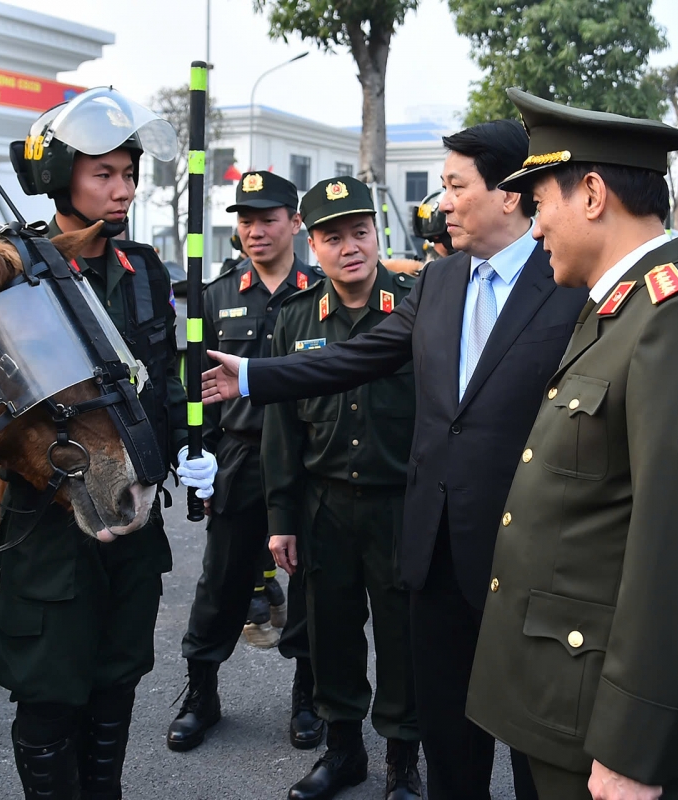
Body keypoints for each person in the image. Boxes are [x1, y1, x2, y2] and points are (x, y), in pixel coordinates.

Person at [203, 118, 587, 800]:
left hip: (527, 550)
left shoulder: (568, 286)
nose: (440, 204)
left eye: (453, 186)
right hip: (433, 546)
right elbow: (357, 359)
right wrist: (254, 375)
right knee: (449, 733)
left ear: (507, 195)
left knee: (534, 736)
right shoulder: (439, 282)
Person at [463, 89, 678, 800]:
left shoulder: (677, 319)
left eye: (540, 204)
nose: (534, 230)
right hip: (561, 699)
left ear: (591, 193)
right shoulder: (617, 310)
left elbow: (677, 553)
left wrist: (632, 748)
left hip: (602, 720)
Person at [0, 87, 217, 800]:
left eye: (128, 174)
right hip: (51, 526)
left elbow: (163, 381)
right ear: (62, 179)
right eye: (103, 175)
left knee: (118, 677)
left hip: (134, 514)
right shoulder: (13, 274)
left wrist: (188, 444)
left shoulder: (144, 271)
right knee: (51, 687)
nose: (122, 191)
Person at [262, 176, 422, 800]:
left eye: (360, 231)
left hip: (400, 504)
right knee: (331, 633)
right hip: (324, 503)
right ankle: (344, 751)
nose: (349, 246)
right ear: (312, 242)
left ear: (378, 233)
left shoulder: (416, 306)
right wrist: (281, 516)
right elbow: (279, 426)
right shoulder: (296, 318)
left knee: (403, 635)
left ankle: (404, 761)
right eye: (332, 236)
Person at [168, 170, 324, 753]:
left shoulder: (321, 288)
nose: (255, 231)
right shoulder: (216, 292)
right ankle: (200, 691)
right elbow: (194, 382)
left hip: (309, 459)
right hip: (240, 453)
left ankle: (308, 695)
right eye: (245, 220)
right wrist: (197, 450)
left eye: (267, 219)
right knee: (223, 580)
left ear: (295, 222)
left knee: (309, 581)